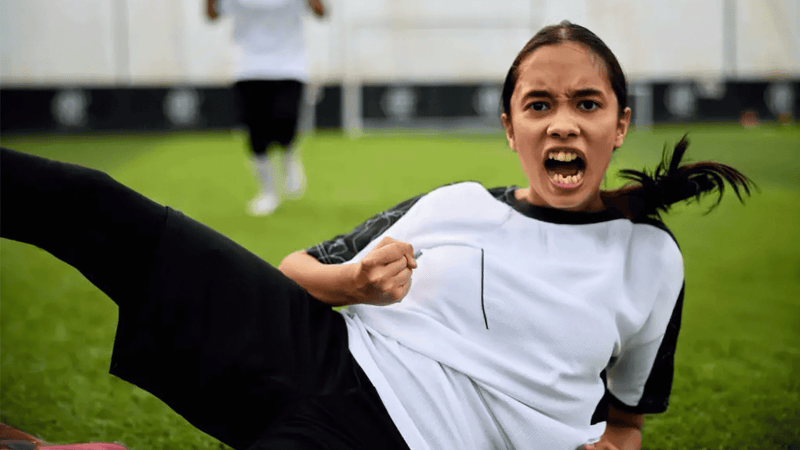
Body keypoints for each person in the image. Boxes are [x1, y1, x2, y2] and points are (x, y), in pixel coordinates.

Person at [0, 21, 753, 450]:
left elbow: (624, 425)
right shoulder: (455, 203)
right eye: (539, 103)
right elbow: (296, 270)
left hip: (390, 442)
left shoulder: (648, 260)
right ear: (510, 125)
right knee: (93, 204)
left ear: (619, 125)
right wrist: (352, 284)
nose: (562, 120)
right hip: (317, 350)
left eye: (587, 103)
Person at [206, 0, 326, 216]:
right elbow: (212, 15)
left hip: (290, 65)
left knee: (285, 118)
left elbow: (320, 12)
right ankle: (268, 192)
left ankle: (289, 155)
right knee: (255, 132)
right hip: (248, 67)